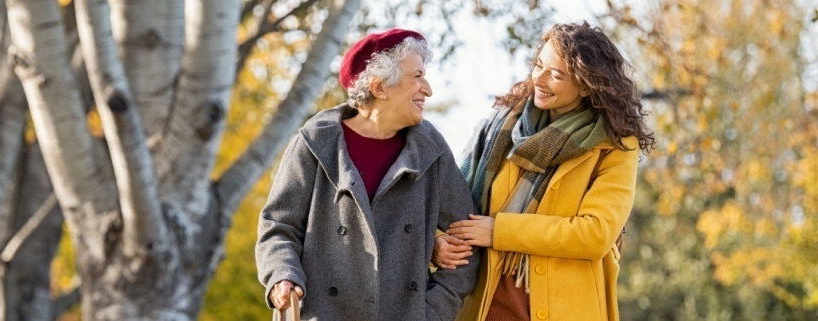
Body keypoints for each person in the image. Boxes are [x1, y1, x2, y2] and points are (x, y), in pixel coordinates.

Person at [432, 21, 656, 321]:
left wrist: (500, 231)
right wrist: (437, 243)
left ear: (586, 85)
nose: (539, 79)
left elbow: (595, 234)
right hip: (486, 305)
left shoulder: (614, 146)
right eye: (538, 65)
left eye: (556, 75)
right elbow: (450, 204)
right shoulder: (499, 129)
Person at [255, 28, 480, 321]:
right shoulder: (315, 143)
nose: (427, 89)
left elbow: (468, 238)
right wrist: (282, 275)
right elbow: (278, 226)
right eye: (417, 76)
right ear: (379, 87)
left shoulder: (431, 149)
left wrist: (432, 311)